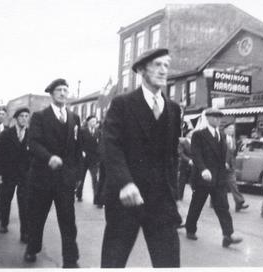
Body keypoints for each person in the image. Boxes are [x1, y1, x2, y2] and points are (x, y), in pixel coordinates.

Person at [98, 48, 182, 268]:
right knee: (113, 262)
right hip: (127, 198)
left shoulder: (173, 109)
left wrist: (172, 193)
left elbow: (171, 156)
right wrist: (125, 183)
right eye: (157, 65)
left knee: (169, 262)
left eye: (166, 65)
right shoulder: (122, 104)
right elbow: (110, 145)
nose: (164, 70)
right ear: (142, 70)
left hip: (161, 201)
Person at [23, 78, 82, 268]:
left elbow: (77, 148)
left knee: (68, 221)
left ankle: (70, 260)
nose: (63, 93)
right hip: (42, 179)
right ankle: (32, 247)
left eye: (66, 89)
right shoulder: (40, 117)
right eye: (59, 90)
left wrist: (77, 175)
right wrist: (49, 157)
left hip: (65, 180)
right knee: (37, 217)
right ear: (51, 93)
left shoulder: (74, 118)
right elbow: (33, 143)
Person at [185, 108, 243, 248]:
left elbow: (222, 154)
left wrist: (224, 163)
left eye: (219, 117)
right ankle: (190, 229)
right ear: (208, 118)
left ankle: (228, 235)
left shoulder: (221, 135)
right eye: (215, 117)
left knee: (223, 206)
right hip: (203, 178)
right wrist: (203, 169)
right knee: (197, 205)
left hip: (218, 178)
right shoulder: (199, 134)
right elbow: (196, 154)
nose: (218, 120)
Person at [0, 108, 30, 241]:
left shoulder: (31, 135)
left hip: (25, 176)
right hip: (7, 174)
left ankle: (24, 233)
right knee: (5, 200)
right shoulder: (6, 134)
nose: (24, 119)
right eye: (21, 116)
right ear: (16, 118)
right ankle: (4, 223)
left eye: (27, 116)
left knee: (25, 204)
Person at [76, 115, 101, 205]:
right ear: (89, 122)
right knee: (81, 177)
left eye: (95, 121)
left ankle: (96, 198)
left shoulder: (98, 132)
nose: (94, 122)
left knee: (95, 178)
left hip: (94, 159)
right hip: (84, 158)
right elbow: (79, 143)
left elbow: (100, 145)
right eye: (93, 121)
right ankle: (79, 195)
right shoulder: (83, 131)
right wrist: (82, 151)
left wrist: (99, 156)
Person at [224, 123, 249, 212]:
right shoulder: (221, 139)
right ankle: (214, 202)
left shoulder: (233, 140)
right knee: (218, 186)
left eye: (233, 129)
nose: (232, 130)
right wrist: (224, 162)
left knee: (233, 184)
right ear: (225, 129)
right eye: (230, 128)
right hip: (223, 165)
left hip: (231, 166)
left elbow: (233, 153)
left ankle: (239, 202)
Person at [177, 129, 193, 200]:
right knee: (182, 181)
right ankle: (179, 196)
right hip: (185, 164)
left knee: (193, 181)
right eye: (191, 133)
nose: (192, 134)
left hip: (193, 165)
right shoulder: (183, 142)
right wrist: (188, 160)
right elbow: (181, 153)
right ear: (187, 134)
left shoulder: (195, 142)